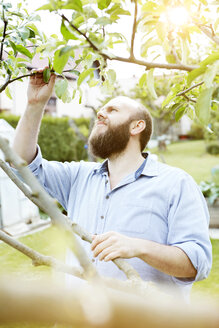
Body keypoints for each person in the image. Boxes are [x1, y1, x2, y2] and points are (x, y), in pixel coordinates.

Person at [13, 69, 212, 299]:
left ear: (136, 126)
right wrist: (34, 104)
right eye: (101, 110)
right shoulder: (78, 177)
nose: (100, 114)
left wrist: (138, 247)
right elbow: (22, 165)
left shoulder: (176, 184)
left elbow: (197, 263)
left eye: (113, 109)